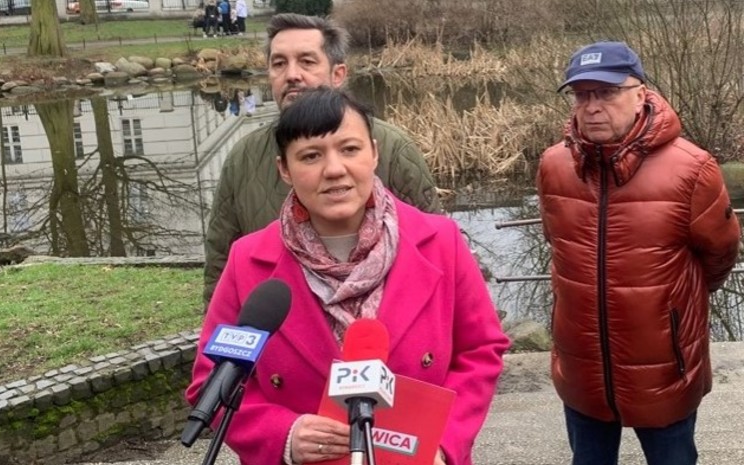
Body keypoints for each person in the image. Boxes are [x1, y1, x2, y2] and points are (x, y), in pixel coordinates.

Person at [186, 87, 510, 465]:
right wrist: (283, 435)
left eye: (350, 149)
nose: (334, 169)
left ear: (374, 153)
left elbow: (480, 351)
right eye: (311, 156)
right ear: (284, 169)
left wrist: (443, 443)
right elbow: (211, 379)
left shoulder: (441, 241)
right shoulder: (248, 261)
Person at [536, 41, 740, 465]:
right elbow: (556, 243)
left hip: (664, 364)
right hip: (581, 363)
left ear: (641, 93)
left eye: (607, 92)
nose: (592, 107)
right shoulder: (554, 166)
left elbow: (719, 255)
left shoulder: (692, 168)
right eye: (582, 95)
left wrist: (673, 310)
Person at [203, 13, 441, 306]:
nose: (292, 74)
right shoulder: (243, 158)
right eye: (279, 63)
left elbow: (432, 249)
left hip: (387, 325)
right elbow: (220, 263)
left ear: (338, 74)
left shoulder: (395, 148)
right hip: (282, 326)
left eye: (307, 61)